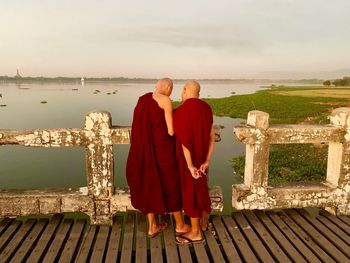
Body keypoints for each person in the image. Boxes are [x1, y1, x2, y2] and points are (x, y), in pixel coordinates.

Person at [126, 78, 190, 238]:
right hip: (163, 150)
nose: (171, 93)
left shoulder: (143, 99)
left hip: (144, 152)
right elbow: (170, 131)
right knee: (171, 183)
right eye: (171, 89)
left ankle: (153, 226)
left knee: (149, 183)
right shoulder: (165, 100)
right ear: (167, 87)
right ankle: (180, 225)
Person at [174, 80, 215, 245]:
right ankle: (203, 224)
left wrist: (190, 165)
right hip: (203, 159)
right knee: (202, 188)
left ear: (184, 90)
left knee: (191, 193)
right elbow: (212, 136)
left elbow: (185, 143)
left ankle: (195, 233)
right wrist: (207, 160)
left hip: (188, 161)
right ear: (198, 92)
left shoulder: (181, 111)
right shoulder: (206, 108)